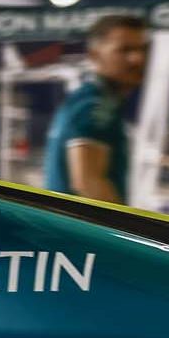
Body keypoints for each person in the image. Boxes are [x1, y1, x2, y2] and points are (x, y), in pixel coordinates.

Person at [44, 14, 149, 204]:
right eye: (124, 50)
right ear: (95, 55)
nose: (137, 59)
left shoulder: (86, 100)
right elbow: (88, 182)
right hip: (79, 232)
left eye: (142, 49)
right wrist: (127, 230)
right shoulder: (95, 105)